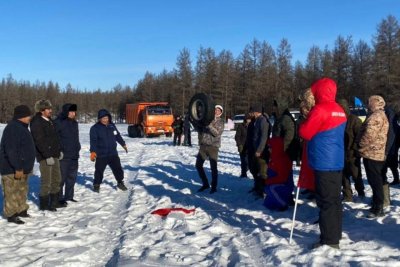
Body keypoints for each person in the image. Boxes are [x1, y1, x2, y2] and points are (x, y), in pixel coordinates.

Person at [299, 78, 347, 249]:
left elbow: (305, 132)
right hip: (336, 160)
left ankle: (329, 241)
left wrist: (304, 119)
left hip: (322, 160)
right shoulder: (339, 109)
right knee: (334, 201)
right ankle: (335, 234)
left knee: (325, 202)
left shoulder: (319, 110)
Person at [0, 105, 36, 224]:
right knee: (12, 192)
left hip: (22, 167)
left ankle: (21, 210)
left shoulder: (22, 127)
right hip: (12, 168)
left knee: (22, 189)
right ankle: (11, 214)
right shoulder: (13, 128)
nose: (29, 117)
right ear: (21, 116)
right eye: (28, 115)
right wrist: (17, 167)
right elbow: (11, 150)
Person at [30, 99, 67, 211]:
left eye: (51, 108)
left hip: (54, 155)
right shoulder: (36, 122)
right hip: (45, 157)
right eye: (48, 109)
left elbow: (55, 138)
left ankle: (54, 202)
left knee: (57, 179)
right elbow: (39, 141)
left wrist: (59, 150)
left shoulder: (50, 120)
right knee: (47, 181)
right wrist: (47, 155)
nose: (51, 110)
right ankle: (44, 205)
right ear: (42, 110)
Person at [357, 95, 388, 218]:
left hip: (372, 153)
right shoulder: (378, 114)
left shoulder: (376, 116)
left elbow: (369, 135)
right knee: (375, 180)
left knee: (375, 181)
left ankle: (378, 207)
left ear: (376, 103)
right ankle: (376, 204)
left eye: (370, 102)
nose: (368, 104)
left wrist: (360, 146)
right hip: (374, 152)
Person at [90, 109, 128, 192]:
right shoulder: (95, 128)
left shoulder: (112, 126)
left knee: (118, 169)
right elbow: (93, 141)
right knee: (99, 170)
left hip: (113, 153)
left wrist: (123, 144)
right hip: (101, 154)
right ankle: (96, 184)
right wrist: (93, 151)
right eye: (103, 118)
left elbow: (117, 136)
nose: (105, 120)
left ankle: (120, 182)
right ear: (99, 119)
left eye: (106, 118)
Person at [337, 99, 365, 202]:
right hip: (340, 152)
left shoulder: (354, 120)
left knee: (356, 175)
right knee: (344, 176)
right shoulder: (338, 120)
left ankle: (361, 192)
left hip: (352, 153)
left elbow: (360, 136)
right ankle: (347, 195)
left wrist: (355, 149)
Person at [54, 103, 81, 203]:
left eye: (74, 111)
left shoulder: (75, 123)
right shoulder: (58, 122)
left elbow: (76, 138)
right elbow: (54, 138)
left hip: (74, 155)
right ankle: (59, 198)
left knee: (72, 177)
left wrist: (78, 147)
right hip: (64, 156)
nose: (73, 113)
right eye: (71, 111)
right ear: (66, 111)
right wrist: (59, 150)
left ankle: (69, 196)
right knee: (61, 178)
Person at [196, 105, 224, 194]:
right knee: (198, 165)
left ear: (221, 112)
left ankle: (214, 186)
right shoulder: (207, 119)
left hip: (213, 147)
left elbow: (216, 133)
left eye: (218, 110)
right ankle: (205, 184)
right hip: (203, 145)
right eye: (215, 109)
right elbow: (200, 129)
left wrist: (209, 125)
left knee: (213, 168)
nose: (216, 111)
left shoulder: (221, 122)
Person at [263, 137, 294, 211]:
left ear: (276, 147)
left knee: (270, 189)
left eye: (270, 147)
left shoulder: (282, 160)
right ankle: (283, 199)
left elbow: (283, 178)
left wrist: (268, 181)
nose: (269, 149)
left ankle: (283, 204)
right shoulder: (274, 157)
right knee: (268, 203)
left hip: (284, 185)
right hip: (276, 183)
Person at [249, 104, 270, 198]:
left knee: (262, 172)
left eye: (253, 111)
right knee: (255, 169)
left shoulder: (263, 121)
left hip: (262, 151)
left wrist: (259, 150)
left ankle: (264, 191)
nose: (252, 113)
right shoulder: (257, 120)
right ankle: (258, 189)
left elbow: (264, 137)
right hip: (255, 149)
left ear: (257, 112)